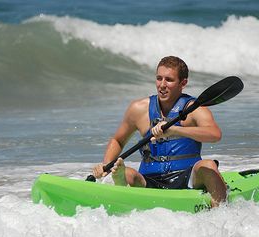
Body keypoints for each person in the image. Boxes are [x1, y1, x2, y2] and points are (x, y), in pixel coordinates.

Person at [92, 56, 227, 206]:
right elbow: (118, 140)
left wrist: (176, 130)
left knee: (208, 165)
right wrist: (106, 167)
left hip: (188, 176)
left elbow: (215, 134)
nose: (162, 85)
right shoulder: (139, 109)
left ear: (183, 83)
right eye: (159, 78)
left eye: (169, 80)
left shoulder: (194, 108)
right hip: (149, 178)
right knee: (125, 173)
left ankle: (220, 214)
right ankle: (118, 192)